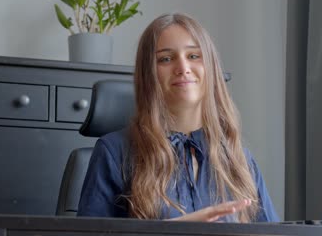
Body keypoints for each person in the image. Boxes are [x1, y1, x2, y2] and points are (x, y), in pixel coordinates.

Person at [77, 13, 279, 223]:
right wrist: (173, 232)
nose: (183, 68)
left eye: (193, 56)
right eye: (166, 59)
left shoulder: (241, 160)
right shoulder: (114, 152)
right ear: (149, 74)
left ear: (211, 68)